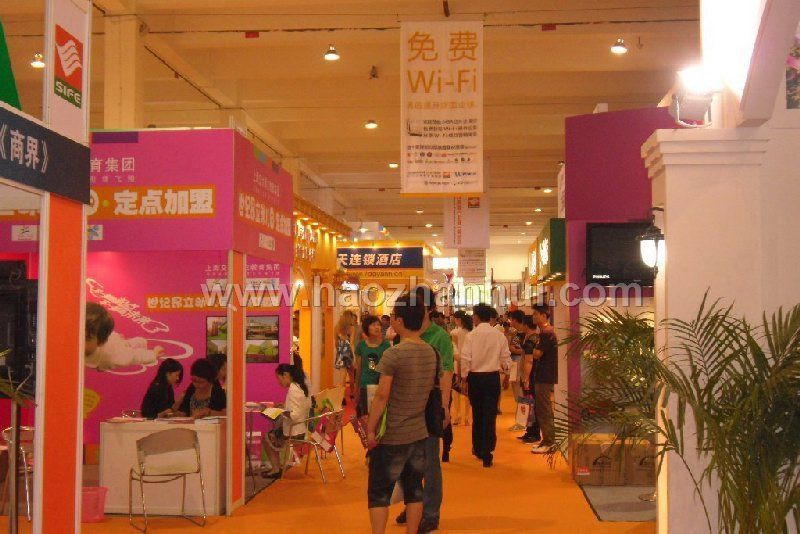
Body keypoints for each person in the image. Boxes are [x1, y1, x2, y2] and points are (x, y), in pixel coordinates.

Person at [366, 292, 438, 534]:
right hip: (419, 432)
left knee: (379, 492)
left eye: (394, 315)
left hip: (392, 435)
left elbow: (382, 396)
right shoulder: (431, 352)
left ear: (400, 320)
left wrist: (370, 429)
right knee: (414, 490)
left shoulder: (393, 354)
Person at [396, 287, 453, 532]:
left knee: (429, 462)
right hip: (404, 403)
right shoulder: (403, 333)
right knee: (406, 461)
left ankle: (430, 513)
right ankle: (413, 506)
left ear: (428, 309)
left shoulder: (440, 337)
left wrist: (444, 406)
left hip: (429, 403)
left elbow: (446, 373)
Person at [460, 303, 511, 467]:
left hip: (475, 378)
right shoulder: (499, 336)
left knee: (477, 413)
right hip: (492, 378)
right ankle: (488, 451)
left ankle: (478, 448)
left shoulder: (471, 336)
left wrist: (464, 378)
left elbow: (465, 359)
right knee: (490, 415)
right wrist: (507, 373)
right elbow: (506, 358)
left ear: (476, 317)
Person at [263, 363, 312, 478]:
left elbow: (294, 415)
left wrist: (280, 411)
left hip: (293, 432)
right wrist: (284, 407)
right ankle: (277, 467)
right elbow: (299, 407)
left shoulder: (293, 390)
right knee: (274, 432)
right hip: (301, 429)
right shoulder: (301, 386)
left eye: (278, 378)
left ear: (285, 375)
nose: (278, 382)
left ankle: (276, 469)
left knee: (267, 438)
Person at [530, 304, 558, 454]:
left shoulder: (547, 333)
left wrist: (534, 349)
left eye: (536, 314)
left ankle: (549, 442)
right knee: (542, 408)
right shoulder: (545, 332)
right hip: (543, 375)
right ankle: (546, 439)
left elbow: (537, 354)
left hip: (545, 376)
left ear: (543, 315)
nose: (533, 316)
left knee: (544, 409)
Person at [355, 315, 391, 418]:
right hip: (365, 384)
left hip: (381, 385)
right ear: (366, 328)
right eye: (373, 325)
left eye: (378, 325)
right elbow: (359, 369)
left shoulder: (386, 345)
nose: (377, 327)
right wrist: (356, 388)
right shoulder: (361, 346)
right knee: (365, 417)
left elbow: (388, 368)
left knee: (379, 416)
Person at [450, 310, 472, 426]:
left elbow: (456, 351)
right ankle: (467, 417)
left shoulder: (454, 332)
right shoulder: (471, 332)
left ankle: (457, 416)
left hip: (457, 364)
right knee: (468, 393)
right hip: (469, 365)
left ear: (458, 319)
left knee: (456, 393)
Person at [335, 310, 358, 400]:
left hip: (341, 351)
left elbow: (336, 343)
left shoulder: (337, 327)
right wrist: (354, 357)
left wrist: (339, 351)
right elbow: (351, 343)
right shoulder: (352, 328)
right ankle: (352, 393)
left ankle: (342, 396)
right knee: (351, 375)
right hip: (348, 351)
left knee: (342, 375)